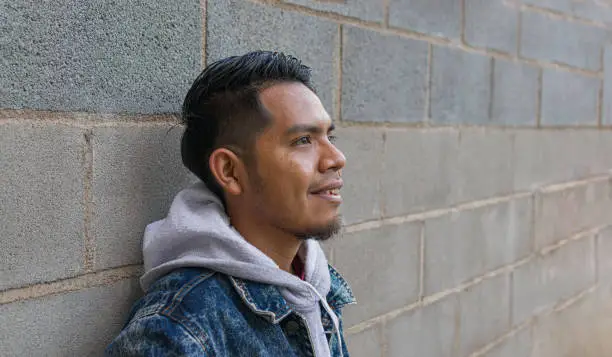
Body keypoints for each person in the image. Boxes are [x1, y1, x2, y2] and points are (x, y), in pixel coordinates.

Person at [105, 51, 355, 357]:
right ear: (230, 171)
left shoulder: (312, 284)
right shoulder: (177, 330)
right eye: (303, 140)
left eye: (330, 136)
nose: (336, 158)